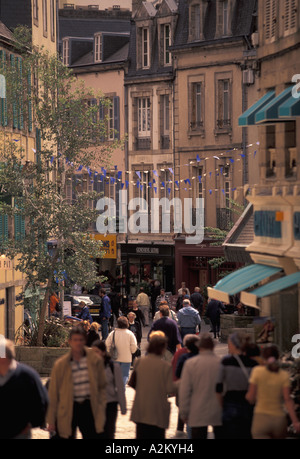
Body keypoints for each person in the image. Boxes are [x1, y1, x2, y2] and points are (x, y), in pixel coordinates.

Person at [47, 326, 107, 439]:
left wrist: (102, 409)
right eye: (75, 340)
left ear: (85, 341)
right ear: (70, 341)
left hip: (88, 406)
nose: (78, 343)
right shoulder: (61, 364)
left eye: (81, 340)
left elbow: (102, 386)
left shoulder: (95, 360)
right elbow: (53, 393)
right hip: (68, 406)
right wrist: (51, 420)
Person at [246, 344, 300, 439]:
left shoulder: (257, 371)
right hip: (279, 420)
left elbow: (250, 397)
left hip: (261, 419)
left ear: (263, 357)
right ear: (278, 356)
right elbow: (288, 400)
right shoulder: (283, 375)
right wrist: (295, 421)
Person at [130, 334, 176, 439]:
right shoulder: (165, 366)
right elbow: (169, 389)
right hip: (158, 410)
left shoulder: (139, 362)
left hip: (141, 408)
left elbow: (133, 383)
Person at [0, 339, 48, 439]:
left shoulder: (27, 376)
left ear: (3, 357)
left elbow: (42, 402)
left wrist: (31, 424)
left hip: (20, 434)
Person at [179, 333, 223, 440]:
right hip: (218, 410)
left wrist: (184, 412)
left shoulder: (190, 363)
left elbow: (184, 391)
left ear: (199, 346)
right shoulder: (221, 363)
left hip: (197, 410)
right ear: (213, 346)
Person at [215, 332, 258, 439]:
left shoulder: (226, 361)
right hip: (248, 406)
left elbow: (218, 387)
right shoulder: (253, 363)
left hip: (229, 404)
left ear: (234, 345)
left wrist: (220, 408)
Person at [91, 340, 127, 439]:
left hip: (110, 404)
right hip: (94, 405)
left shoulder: (113, 366)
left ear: (103, 352)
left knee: (108, 432)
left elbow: (120, 387)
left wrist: (123, 406)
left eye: (96, 351)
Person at [105, 316, 137, 386]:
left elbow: (107, 344)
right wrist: (131, 351)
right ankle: (122, 389)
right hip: (126, 358)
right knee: (125, 375)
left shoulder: (113, 333)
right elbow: (134, 346)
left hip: (114, 358)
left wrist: (109, 352)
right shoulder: (130, 334)